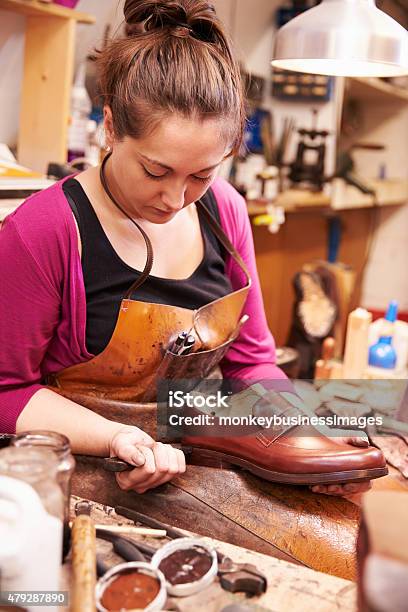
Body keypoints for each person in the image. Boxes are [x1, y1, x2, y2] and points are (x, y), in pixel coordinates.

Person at [0, 0, 383, 500]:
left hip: (188, 449)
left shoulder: (225, 209)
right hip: (68, 462)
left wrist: (301, 435)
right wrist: (118, 437)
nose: (175, 199)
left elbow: (251, 365)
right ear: (111, 127)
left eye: (201, 175)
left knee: (343, 527)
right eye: (156, 171)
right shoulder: (43, 230)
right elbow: (7, 392)